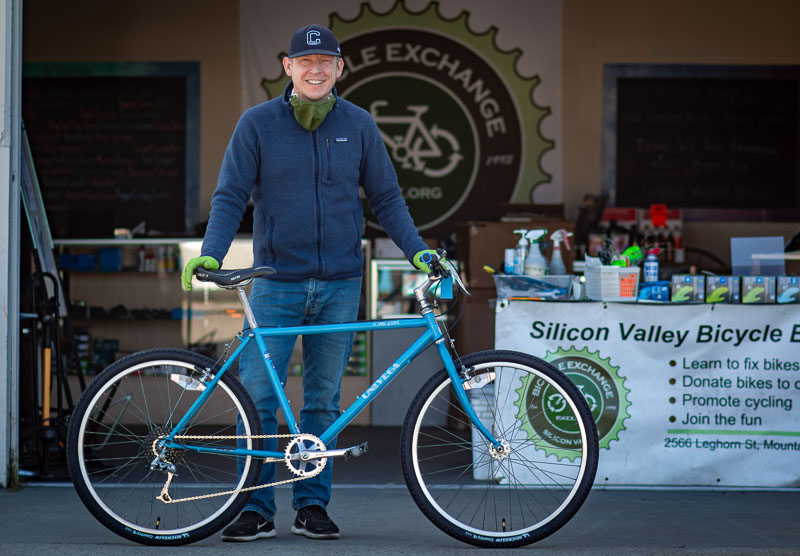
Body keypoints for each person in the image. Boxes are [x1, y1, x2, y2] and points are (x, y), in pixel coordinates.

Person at [181, 23, 438, 542]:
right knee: (257, 398)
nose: (315, 70)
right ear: (288, 67)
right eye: (305, 61)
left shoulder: (359, 125)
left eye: (325, 62)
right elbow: (230, 195)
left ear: (339, 68)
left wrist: (417, 250)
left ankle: (311, 506)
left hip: (340, 282)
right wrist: (211, 253)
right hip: (275, 282)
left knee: (323, 401)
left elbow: (387, 198)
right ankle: (253, 508)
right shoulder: (257, 124)